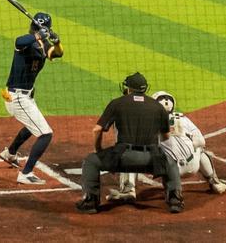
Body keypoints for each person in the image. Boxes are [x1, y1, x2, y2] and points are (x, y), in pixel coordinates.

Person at [77, 72, 182, 215]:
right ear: (145, 88)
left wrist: (98, 149)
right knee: (170, 163)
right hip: (151, 159)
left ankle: (90, 202)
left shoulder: (117, 103)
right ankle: (175, 201)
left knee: (91, 161)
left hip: (123, 157)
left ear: (129, 88)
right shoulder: (158, 107)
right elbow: (166, 136)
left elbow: (97, 130)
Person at [110, 90, 226, 200]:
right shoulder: (182, 118)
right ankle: (215, 182)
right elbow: (201, 141)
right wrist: (186, 144)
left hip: (171, 170)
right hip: (193, 166)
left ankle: (128, 190)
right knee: (200, 150)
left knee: (129, 153)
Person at [0, 11, 64, 185]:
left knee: (32, 125)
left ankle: (10, 153)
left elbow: (57, 54)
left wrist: (57, 42)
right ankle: (26, 174)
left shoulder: (43, 44)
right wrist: (37, 35)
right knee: (46, 134)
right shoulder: (26, 43)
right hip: (17, 97)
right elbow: (18, 42)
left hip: (26, 97)